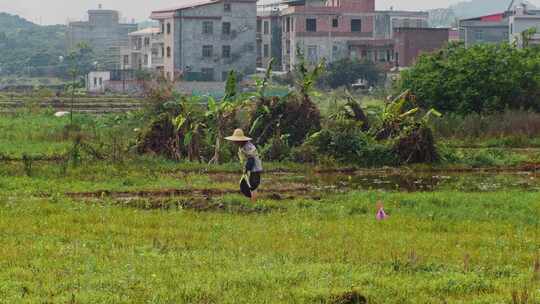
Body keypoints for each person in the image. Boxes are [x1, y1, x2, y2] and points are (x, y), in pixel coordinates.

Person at [225, 129, 263, 202]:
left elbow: (251, 159)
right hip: (250, 169)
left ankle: (254, 203)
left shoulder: (247, 147)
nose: (234, 142)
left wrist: (247, 169)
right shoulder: (242, 146)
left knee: (253, 186)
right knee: (247, 185)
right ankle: (252, 201)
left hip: (253, 169)